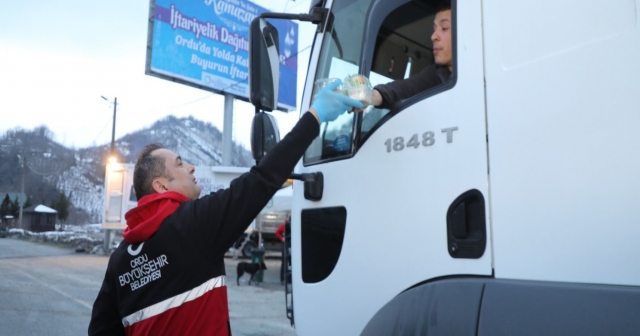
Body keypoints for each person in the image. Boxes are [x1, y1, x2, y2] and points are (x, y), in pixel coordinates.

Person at [88, 80, 362, 336]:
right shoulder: (195, 224)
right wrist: (315, 117)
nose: (191, 167)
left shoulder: (120, 260)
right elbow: (261, 178)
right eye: (181, 164)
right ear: (160, 186)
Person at [370, 1, 452, 109]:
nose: (433, 36)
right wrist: (368, 96)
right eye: (434, 29)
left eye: (444, 28)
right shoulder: (436, 73)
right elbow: (404, 89)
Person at [274, 215, 289, 285]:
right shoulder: (284, 225)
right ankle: (282, 279)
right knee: (284, 262)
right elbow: (277, 232)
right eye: (288, 217)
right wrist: (282, 238)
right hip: (285, 244)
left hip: (290, 244)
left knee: (291, 262)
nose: (289, 218)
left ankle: (289, 278)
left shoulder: (294, 224)